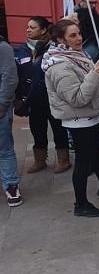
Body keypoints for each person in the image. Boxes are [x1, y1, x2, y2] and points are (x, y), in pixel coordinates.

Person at [43, 20, 99, 217]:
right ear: (60, 40)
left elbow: (89, 83)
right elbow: (77, 98)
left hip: (90, 115)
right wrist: (95, 74)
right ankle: (81, 204)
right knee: (83, 161)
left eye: (78, 34)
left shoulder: (75, 55)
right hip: (78, 119)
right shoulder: (59, 64)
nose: (78, 38)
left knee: (96, 152)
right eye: (72, 36)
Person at [16, 17, 71, 174]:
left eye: (32, 27)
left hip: (51, 97)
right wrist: (20, 97)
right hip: (33, 99)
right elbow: (19, 75)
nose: (28, 30)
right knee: (37, 130)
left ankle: (63, 159)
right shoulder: (23, 49)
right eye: (27, 27)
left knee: (58, 129)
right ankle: (40, 160)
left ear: (43, 30)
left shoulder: (53, 48)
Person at [0, 34, 22, 207]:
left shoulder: (2, 47)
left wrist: (2, 104)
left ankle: (11, 185)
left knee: (4, 148)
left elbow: (10, 77)